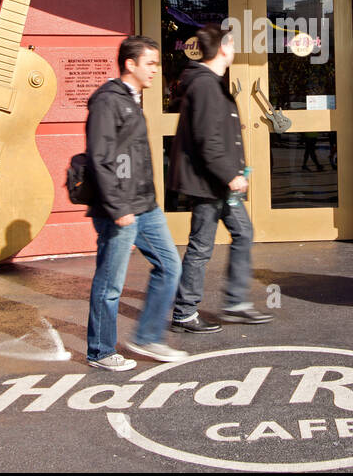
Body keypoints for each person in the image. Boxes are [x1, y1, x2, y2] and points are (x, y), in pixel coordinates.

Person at [84, 35, 185, 370]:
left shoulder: (132, 99)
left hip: (145, 205)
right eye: (151, 63)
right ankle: (100, 351)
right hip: (120, 209)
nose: (156, 69)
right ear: (131, 64)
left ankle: (147, 336)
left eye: (157, 63)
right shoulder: (107, 101)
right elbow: (101, 158)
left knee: (170, 266)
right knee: (111, 282)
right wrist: (117, 208)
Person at [169, 25, 271, 334]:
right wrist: (231, 176)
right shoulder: (204, 85)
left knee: (243, 232)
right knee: (201, 247)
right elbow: (207, 141)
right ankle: (185, 312)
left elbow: (217, 137)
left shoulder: (211, 83)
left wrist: (234, 172)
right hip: (209, 184)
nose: (235, 49)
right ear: (224, 48)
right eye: (233, 44)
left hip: (217, 183)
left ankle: (236, 303)